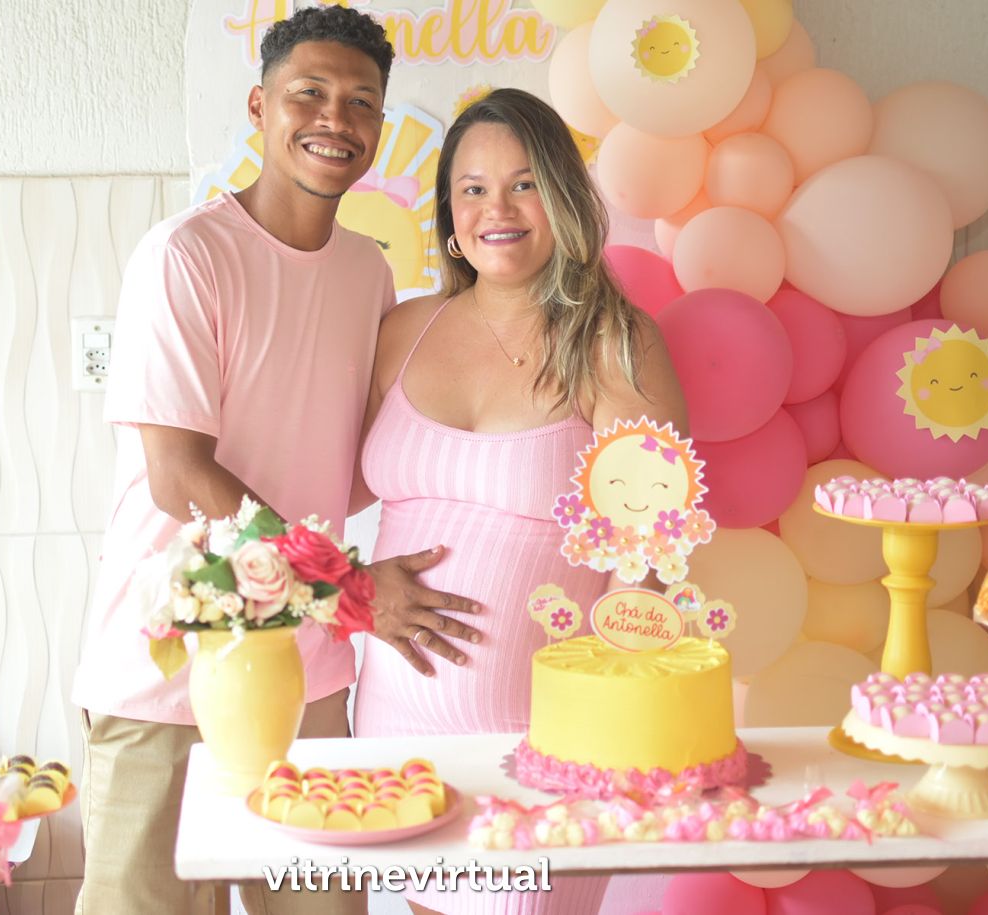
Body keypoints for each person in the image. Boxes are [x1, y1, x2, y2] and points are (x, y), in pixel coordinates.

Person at [70, 8, 475, 914]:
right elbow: (180, 475)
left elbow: (358, 462)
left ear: (379, 125)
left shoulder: (368, 273)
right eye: (310, 93)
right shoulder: (185, 255)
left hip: (310, 676)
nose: (336, 119)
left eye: (361, 102)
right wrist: (354, 587)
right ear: (259, 106)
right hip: (170, 668)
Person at [351, 88, 688, 915]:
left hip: (549, 742)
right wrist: (352, 586)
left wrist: (599, 720)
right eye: (472, 188)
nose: (495, 210)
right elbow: (319, 491)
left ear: (562, 196)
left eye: (523, 184)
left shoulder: (612, 340)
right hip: (398, 724)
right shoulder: (403, 330)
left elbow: (650, 553)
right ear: (449, 212)